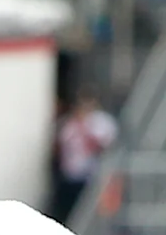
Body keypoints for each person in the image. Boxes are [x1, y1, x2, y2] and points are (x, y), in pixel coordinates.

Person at [51, 90, 119, 224]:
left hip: (90, 174)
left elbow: (104, 147)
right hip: (70, 174)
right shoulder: (68, 122)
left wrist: (84, 129)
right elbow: (60, 145)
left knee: (89, 211)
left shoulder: (101, 122)